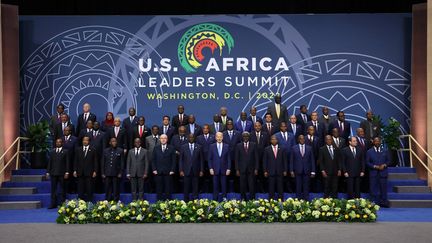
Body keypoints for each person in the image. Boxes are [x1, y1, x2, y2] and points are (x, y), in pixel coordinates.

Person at [290, 135, 316, 201]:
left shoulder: (309, 148)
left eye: (303, 139)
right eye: (300, 139)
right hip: (297, 170)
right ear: (298, 140)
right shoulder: (294, 148)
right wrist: (291, 170)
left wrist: (313, 171)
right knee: (298, 187)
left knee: (306, 187)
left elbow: (312, 160)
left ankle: (306, 201)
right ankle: (298, 201)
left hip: (307, 170)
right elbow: (291, 160)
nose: (302, 140)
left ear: (305, 139)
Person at [366, 137, 390, 207]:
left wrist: (384, 165)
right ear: (373, 142)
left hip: (383, 172)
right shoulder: (369, 151)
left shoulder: (385, 150)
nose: (377, 142)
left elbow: (389, 161)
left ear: (380, 142)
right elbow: (367, 162)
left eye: (378, 141)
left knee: (383, 189)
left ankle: (384, 202)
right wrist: (374, 166)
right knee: (373, 189)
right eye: (375, 141)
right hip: (373, 173)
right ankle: (373, 203)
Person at [179, 134, 204, 201]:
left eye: (192, 137)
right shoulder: (183, 147)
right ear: (188, 138)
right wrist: (181, 170)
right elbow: (181, 159)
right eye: (190, 137)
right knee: (186, 187)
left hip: (196, 170)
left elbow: (201, 159)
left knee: (195, 187)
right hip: (186, 170)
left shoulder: (199, 147)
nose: (191, 138)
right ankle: (186, 201)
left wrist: (201, 170)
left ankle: (195, 201)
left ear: (194, 138)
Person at [46, 139, 69, 209]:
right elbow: (50, 163)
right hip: (53, 173)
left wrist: (67, 172)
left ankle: (62, 203)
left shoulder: (65, 151)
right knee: (53, 190)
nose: (58, 143)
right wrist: (48, 172)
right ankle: (53, 204)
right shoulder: (52, 151)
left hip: (62, 173)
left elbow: (67, 163)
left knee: (62, 189)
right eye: (57, 142)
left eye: (59, 142)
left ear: (62, 143)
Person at [235, 132, 258, 200]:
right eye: (244, 136)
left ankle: (252, 199)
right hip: (242, 169)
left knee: (252, 185)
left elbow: (256, 158)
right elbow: (237, 159)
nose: (245, 138)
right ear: (242, 137)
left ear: (249, 137)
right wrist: (237, 169)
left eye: (247, 136)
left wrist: (256, 168)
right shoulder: (238, 145)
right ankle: (243, 199)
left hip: (251, 169)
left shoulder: (253, 145)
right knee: (242, 185)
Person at [152, 134, 176, 201]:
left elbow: (174, 160)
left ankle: (168, 204)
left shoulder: (171, 148)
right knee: (159, 189)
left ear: (167, 139)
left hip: (168, 172)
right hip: (158, 172)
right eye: (162, 138)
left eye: (165, 138)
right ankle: (159, 203)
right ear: (159, 139)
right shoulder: (156, 148)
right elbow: (153, 159)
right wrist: (154, 169)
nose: (163, 139)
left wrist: (172, 170)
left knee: (168, 189)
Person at [73, 136, 97, 201]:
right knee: (80, 189)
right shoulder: (78, 149)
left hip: (89, 172)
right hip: (80, 172)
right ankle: (81, 203)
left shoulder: (93, 150)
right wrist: (75, 170)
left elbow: (95, 161)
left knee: (89, 189)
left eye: (86, 140)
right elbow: (75, 161)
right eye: (84, 140)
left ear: (89, 141)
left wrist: (95, 171)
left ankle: (89, 203)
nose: (85, 141)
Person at [208, 132, 231, 201]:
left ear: (222, 137)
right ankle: (215, 200)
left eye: (220, 137)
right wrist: (210, 168)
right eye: (217, 137)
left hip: (224, 169)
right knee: (215, 186)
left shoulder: (226, 146)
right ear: (215, 138)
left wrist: (228, 169)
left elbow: (228, 159)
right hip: (215, 170)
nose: (219, 138)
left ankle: (224, 199)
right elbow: (209, 159)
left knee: (224, 186)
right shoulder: (212, 146)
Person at [263, 135, 287, 200]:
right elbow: (265, 161)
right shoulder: (267, 149)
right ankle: (271, 201)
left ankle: (281, 201)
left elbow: (284, 160)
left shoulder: (282, 148)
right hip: (270, 171)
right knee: (271, 187)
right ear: (270, 141)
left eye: (275, 139)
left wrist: (285, 170)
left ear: (277, 140)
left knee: (280, 187)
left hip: (280, 171)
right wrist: (265, 171)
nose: (274, 140)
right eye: (272, 139)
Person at [250, 121, 269, 193]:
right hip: (253, 160)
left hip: (263, 159)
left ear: (261, 126)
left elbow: (267, 147)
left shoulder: (265, 134)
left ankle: (263, 190)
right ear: (254, 127)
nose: (257, 127)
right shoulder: (251, 135)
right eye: (256, 126)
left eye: (259, 126)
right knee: (253, 176)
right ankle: (254, 190)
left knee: (262, 176)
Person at [196, 124, 215, 193]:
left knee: (211, 176)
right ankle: (201, 190)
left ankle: (211, 190)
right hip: (202, 160)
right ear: (202, 130)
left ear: (209, 129)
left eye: (207, 128)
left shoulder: (213, 137)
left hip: (211, 160)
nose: (205, 130)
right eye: (204, 128)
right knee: (201, 176)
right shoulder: (198, 138)